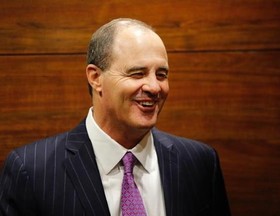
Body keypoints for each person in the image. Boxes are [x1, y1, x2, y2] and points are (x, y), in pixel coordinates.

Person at [0, 18, 230, 216]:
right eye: (137, 73)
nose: (154, 87)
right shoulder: (32, 170)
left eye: (161, 74)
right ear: (95, 77)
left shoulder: (199, 163)